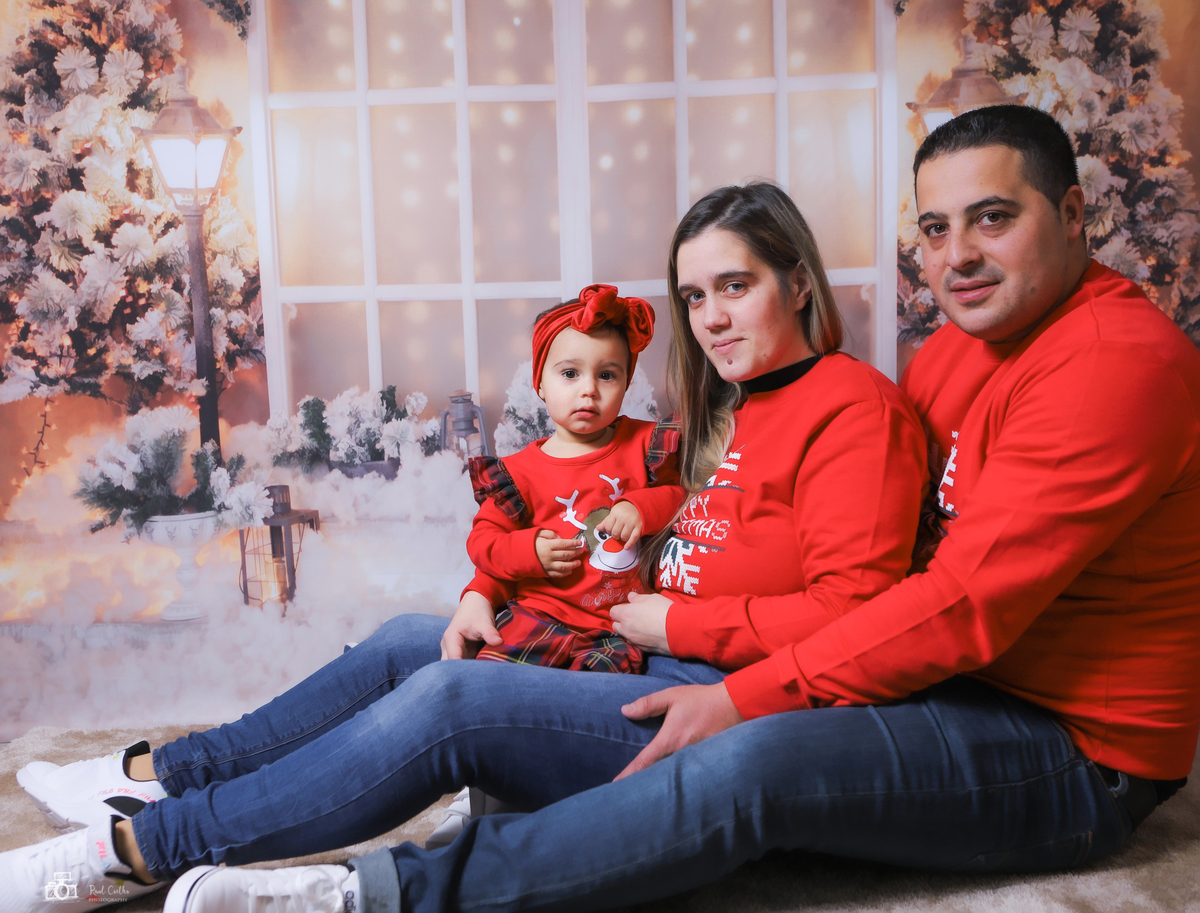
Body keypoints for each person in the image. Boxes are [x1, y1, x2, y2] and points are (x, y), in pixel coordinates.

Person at [149, 104, 1200, 913]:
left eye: (994, 217)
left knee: (731, 755)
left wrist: (738, 687)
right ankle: (166, 786)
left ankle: (362, 894)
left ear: (1072, 215)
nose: (957, 253)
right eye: (934, 227)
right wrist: (536, 586)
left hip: (1072, 746)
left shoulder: (1108, 364)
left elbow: (953, 602)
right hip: (934, 683)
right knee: (422, 649)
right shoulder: (952, 352)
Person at [0, 183, 927, 913]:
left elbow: (856, 622)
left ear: (798, 283)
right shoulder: (737, 409)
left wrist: (679, 622)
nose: (711, 316)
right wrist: (490, 587)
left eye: (736, 285)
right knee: (416, 636)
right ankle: (161, 775)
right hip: (636, 650)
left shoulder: (856, 409)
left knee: (454, 696)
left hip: (707, 700)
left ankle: (139, 849)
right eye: (694, 295)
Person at [463, 283, 683, 675]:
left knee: (598, 697)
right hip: (538, 616)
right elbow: (483, 542)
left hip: (618, 626)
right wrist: (529, 550)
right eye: (569, 373)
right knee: (492, 685)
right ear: (540, 383)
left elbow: (684, 498)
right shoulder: (518, 472)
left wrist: (641, 507)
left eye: (607, 375)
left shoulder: (645, 444)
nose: (589, 390)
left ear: (626, 384)